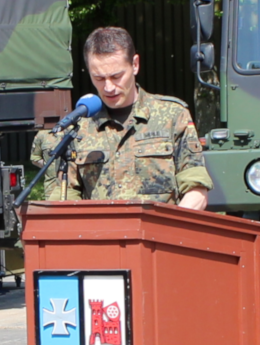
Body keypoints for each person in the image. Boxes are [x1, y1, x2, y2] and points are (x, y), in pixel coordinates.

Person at [62, 27, 212, 209]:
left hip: (158, 233)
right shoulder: (80, 126)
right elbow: (64, 197)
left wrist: (169, 232)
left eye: (116, 76)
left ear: (135, 64)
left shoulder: (172, 115)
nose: (109, 87)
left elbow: (196, 190)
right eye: (99, 78)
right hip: (100, 234)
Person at [30, 129, 63, 200]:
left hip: (75, 187)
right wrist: (48, 167)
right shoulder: (43, 133)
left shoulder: (77, 128)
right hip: (52, 188)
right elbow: (35, 158)